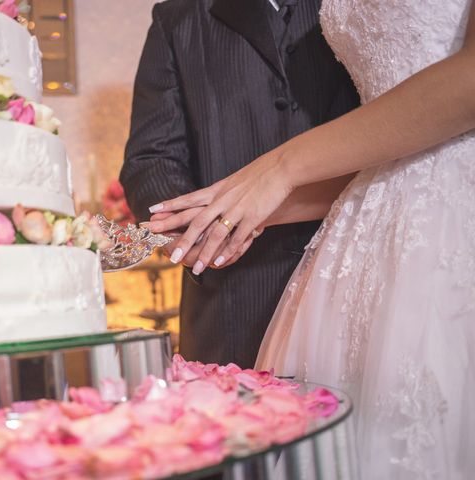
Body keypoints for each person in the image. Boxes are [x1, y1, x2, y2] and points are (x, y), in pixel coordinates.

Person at [148, 0, 475, 477]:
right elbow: (385, 152)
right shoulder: (179, 19)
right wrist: (228, 214)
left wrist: (281, 167)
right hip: (355, 248)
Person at [120, 0, 359, 368]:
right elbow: (150, 161)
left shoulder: (363, 8)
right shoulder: (177, 19)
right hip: (232, 300)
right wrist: (195, 232)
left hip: (358, 280)